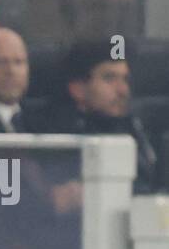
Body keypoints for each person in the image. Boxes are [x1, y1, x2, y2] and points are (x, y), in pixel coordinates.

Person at [33, 41, 158, 192]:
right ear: (78, 89)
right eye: (110, 78)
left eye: (125, 79)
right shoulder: (55, 138)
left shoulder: (131, 125)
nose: (123, 90)